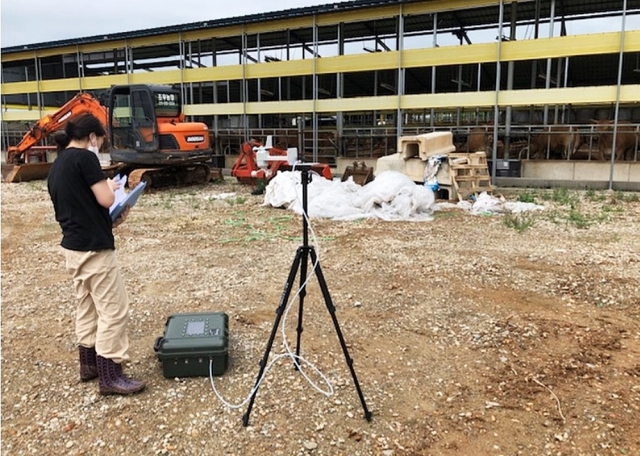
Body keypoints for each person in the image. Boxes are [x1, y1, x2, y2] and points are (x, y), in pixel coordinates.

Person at [47, 113, 145, 396]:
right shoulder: (85, 159)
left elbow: (82, 208)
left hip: (73, 248)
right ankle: (110, 373)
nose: (99, 146)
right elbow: (104, 199)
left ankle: (88, 364)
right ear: (91, 136)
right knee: (114, 310)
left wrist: (112, 217)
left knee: (87, 308)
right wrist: (114, 190)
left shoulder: (58, 165)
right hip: (95, 250)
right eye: (99, 140)